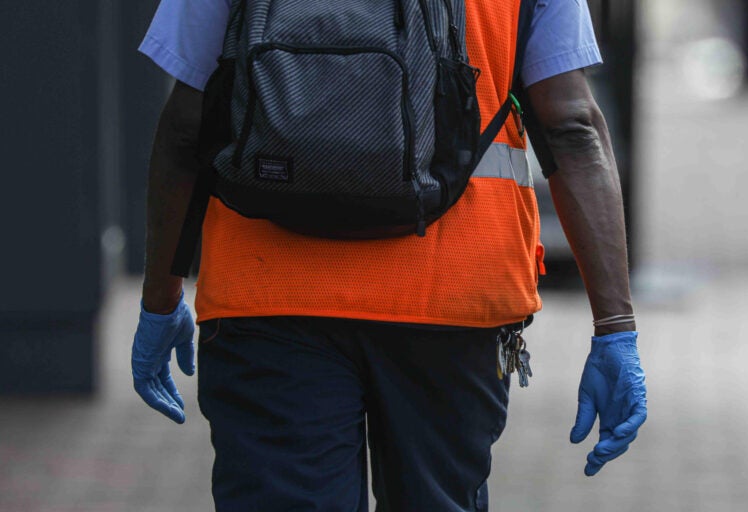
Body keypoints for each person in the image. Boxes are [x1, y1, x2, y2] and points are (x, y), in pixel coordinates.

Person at [131, 0, 647, 510]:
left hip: (269, 299)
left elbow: (184, 126)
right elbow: (571, 127)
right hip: (451, 300)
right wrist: (615, 326)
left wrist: (160, 298)